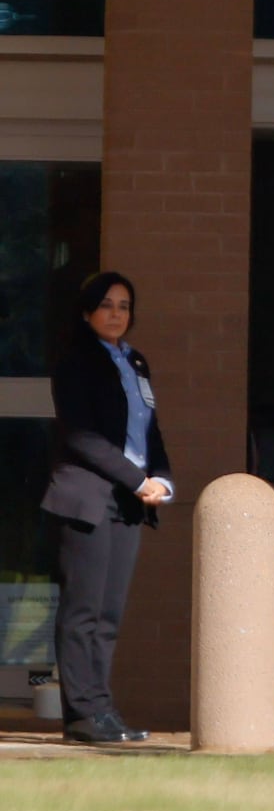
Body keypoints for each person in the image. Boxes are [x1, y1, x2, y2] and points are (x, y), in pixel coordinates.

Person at [41, 271, 173, 743]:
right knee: (83, 611)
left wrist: (160, 478)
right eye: (107, 304)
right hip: (88, 498)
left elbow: (149, 432)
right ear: (87, 311)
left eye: (124, 305)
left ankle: (102, 709)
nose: (117, 313)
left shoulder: (135, 361)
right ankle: (83, 714)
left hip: (129, 502)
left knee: (109, 614)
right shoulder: (76, 362)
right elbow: (82, 438)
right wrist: (137, 479)